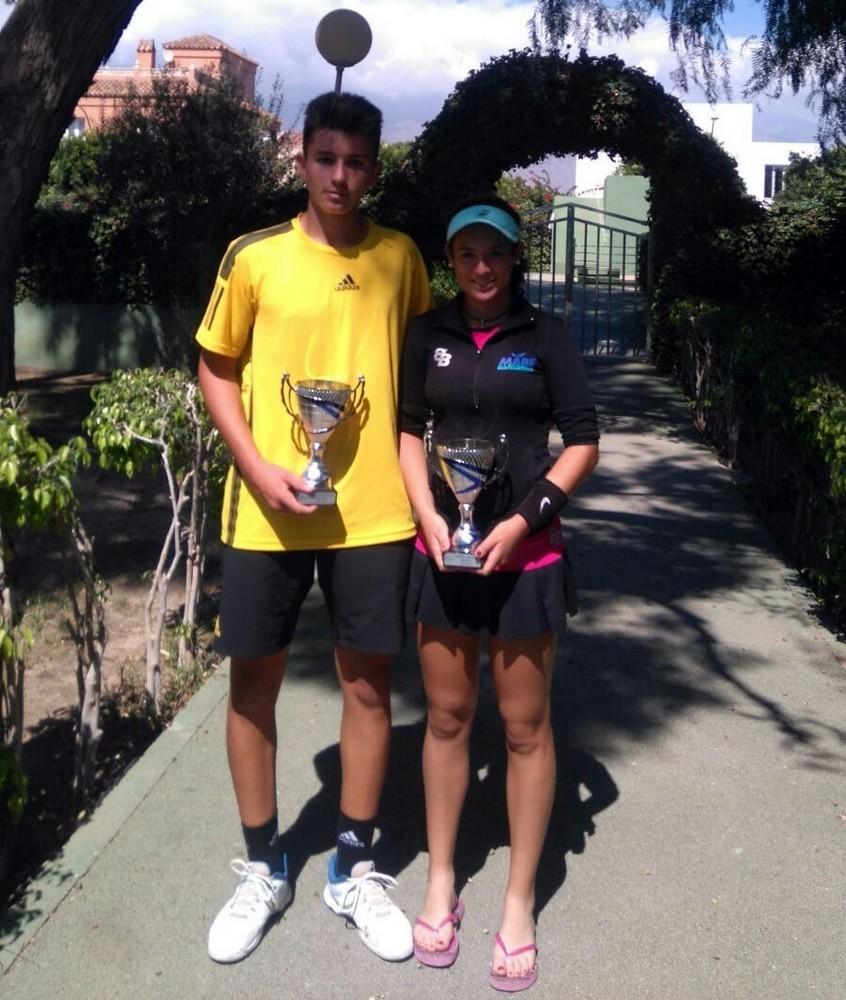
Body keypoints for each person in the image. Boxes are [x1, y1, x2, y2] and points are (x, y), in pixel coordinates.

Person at [196, 91, 434, 965]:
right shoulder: (254, 256)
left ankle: (352, 866)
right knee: (250, 686)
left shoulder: (402, 257)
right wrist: (260, 468)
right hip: (267, 512)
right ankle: (265, 865)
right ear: (300, 158)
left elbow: (423, 373)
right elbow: (215, 367)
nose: (340, 176)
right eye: (326, 158)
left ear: (376, 168)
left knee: (368, 688)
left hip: (373, 514)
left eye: (357, 162)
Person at [398, 195, 600, 991]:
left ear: (516, 258)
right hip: (442, 556)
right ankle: (442, 880)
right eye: (467, 255)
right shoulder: (429, 334)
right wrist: (426, 516)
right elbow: (410, 431)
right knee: (446, 718)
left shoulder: (544, 337)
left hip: (527, 560)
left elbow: (582, 440)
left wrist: (520, 522)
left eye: (496, 254)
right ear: (450, 260)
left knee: (524, 730)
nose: (482, 268)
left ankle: (518, 903)